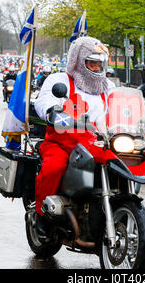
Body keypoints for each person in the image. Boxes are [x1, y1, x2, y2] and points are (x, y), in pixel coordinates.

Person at [33, 36, 117, 240]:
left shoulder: (109, 87)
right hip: (61, 141)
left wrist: (140, 121)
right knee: (54, 167)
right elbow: (43, 101)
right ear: (78, 61)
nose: (97, 67)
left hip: (97, 142)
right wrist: (53, 111)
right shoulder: (60, 80)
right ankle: (41, 216)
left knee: (123, 162)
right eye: (92, 63)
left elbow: (120, 109)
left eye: (100, 63)